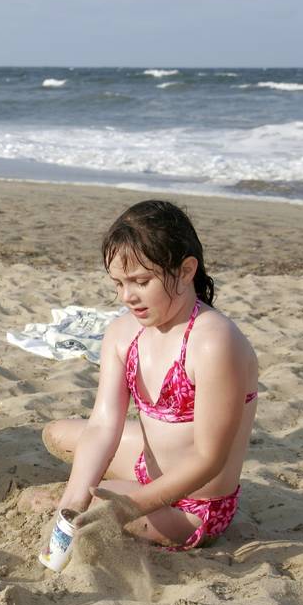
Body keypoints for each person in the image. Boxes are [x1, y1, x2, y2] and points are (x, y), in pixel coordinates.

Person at [30, 200, 258, 550]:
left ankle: (120, 497)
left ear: (185, 271)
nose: (127, 297)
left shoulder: (214, 341)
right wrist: (70, 503)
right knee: (57, 435)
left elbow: (209, 458)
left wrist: (127, 509)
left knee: (92, 517)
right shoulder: (124, 333)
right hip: (145, 465)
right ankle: (97, 493)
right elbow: (103, 426)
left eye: (140, 281)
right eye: (118, 284)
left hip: (196, 503)